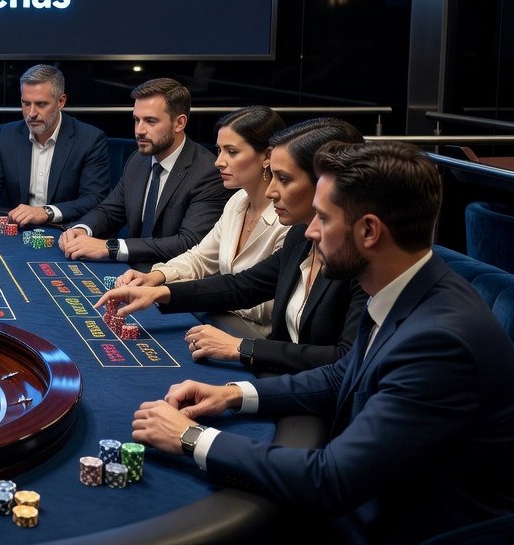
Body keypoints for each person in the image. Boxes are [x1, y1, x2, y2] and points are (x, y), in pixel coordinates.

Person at [131, 141, 514, 543]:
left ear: (369, 231)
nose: (310, 230)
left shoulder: (439, 341)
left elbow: (332, 480)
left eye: (323, 217)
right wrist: (232, 394)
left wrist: (191, 438)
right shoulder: (405, 287)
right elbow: (344, 375)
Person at [103, 118, 367, 374]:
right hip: (285, 378)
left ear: (326, 183)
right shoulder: (301, 235)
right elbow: (242, 286)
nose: (271, 190)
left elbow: (345, 359)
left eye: (284, 179)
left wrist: (243, 347)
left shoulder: (359, 260)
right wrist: (160, 292)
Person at [114, 106, 288, 337]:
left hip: (255, 338)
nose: (219, 162)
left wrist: (173, 292)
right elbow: (200, 258)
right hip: (216, 320)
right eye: (219, 150)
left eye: (232, 152)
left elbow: (268, 306)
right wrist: (154, 277)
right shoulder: (237, 201)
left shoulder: (287, 220)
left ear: (267, 156)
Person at [58, 77, 228, 270]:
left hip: (174, 282)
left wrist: (111, 247)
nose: (139, 130)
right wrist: (83, 229)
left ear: (179, 123)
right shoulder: (138, 160)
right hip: (131, 273)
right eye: (136, 120)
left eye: (150, 121)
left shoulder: (208, 172)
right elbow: (109, 211)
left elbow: (188, 243)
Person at [0, 64, 110, 227]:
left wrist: (47, 212)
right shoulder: (7, 134)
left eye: (41, 104)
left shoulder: (90, 139)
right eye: (26, 103)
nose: (31, 113)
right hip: (18, 233)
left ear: (61, 102)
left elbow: (94, 199)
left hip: (67, 231)